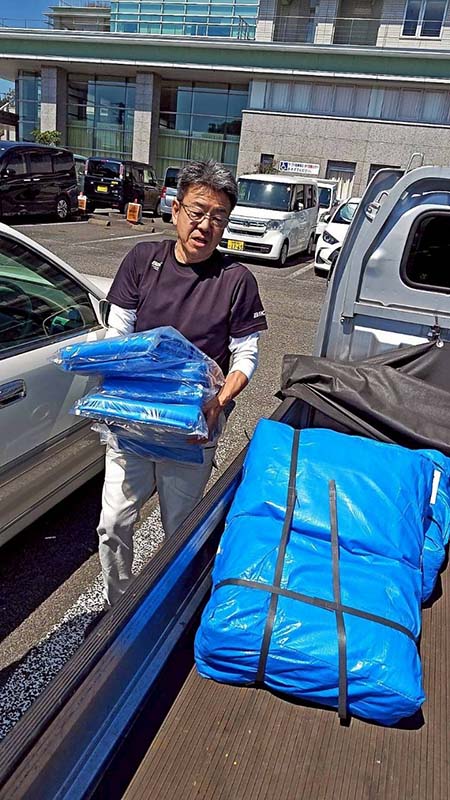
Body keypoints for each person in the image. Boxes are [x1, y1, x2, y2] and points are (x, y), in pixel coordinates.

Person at [97, 159, 268, 607]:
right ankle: (118, 610)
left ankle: (170, 610)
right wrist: (117, 390)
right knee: (114, 523)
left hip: (192, 427)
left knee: (179, 529)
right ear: (175, 209)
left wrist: (220, 400)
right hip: (134, 423)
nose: (206, 225)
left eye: (219, 217)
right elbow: (118, 333)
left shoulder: (236, 280)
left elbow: (245, 355)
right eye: (197, 212)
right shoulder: (142, 260)